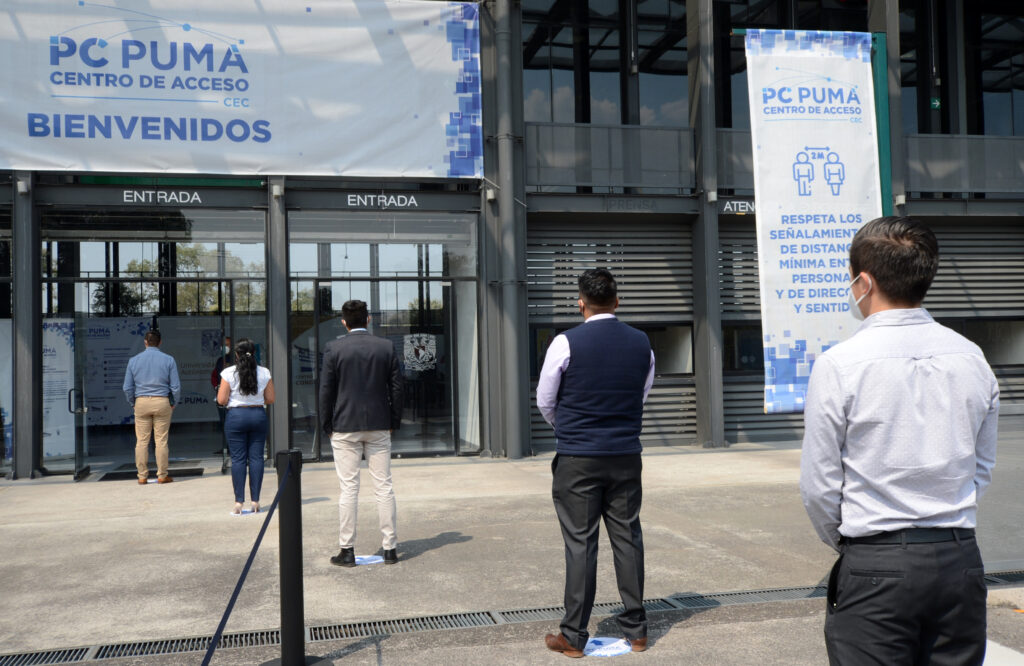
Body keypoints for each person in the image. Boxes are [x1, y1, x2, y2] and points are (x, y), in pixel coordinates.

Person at [800, 216, 999, 665]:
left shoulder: (840, 365)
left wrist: (856, 546)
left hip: (876, 561)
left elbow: (819, 484)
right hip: (958, 557)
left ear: (864, 282)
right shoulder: (973, 358)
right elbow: (980, 469)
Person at [536, 268, 656, 658]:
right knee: (627, 537)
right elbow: (640, 395)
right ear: (617, 301)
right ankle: (637, 630)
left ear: (581, 302)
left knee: (580, 544)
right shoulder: (642, 344)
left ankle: (572, 636)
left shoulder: (565, 342)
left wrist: (568, 429)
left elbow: (545, 400)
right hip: (625, 456)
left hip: (578, 459)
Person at [319, 299, 403, 567]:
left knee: (348, 489)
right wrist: (394, 420)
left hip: (344, 426)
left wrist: (326, 424)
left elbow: (326, 391)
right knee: (384, 487)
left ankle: (347, 550)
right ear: (368, 319)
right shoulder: (386, 347)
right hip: (379, 425)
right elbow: (397, 388)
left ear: (344, 322)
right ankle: (390, 549)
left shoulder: (334, 349)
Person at [217, 338, 275, 514]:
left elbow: (221, 400)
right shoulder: (264, 372)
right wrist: (255, 401)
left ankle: (238, 503)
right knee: (257, 458)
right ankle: (256, 501)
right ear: (254, 353)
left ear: (236, 354)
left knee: (238, 459)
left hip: (236, 417)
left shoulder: (228, 373)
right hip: (257, 415)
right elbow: (271, 398)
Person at [123, 329, 181, 484]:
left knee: (141, 441)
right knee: (161, 440)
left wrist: (133, 403)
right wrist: (173, 402)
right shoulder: (169, 360)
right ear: (160, 342)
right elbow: (175, 386)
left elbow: (127, 388)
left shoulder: (133, 361)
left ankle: (142, 476)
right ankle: (162, 475)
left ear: (145, 342)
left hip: (141, 401)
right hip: (162, 401)